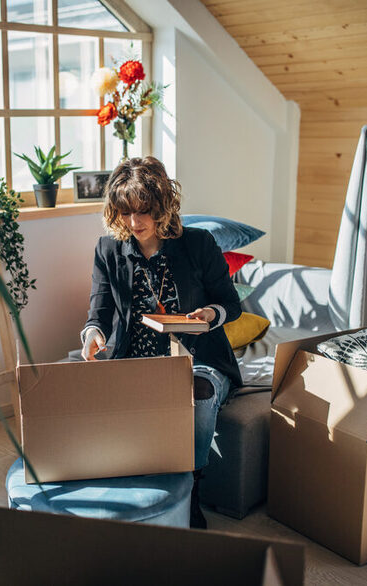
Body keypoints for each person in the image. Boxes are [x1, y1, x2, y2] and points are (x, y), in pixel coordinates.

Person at [80, 156, 243, 529]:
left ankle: (191, 492)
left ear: (162, 207)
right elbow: (98, 313)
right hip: (135, 359)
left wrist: (210, 315)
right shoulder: (108, 251)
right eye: (125, 212)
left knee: (198, 391)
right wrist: (93, 336)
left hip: (197, 360)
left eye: (144, 212)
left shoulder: (198, 244)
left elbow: (230, 304)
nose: (135, 223)